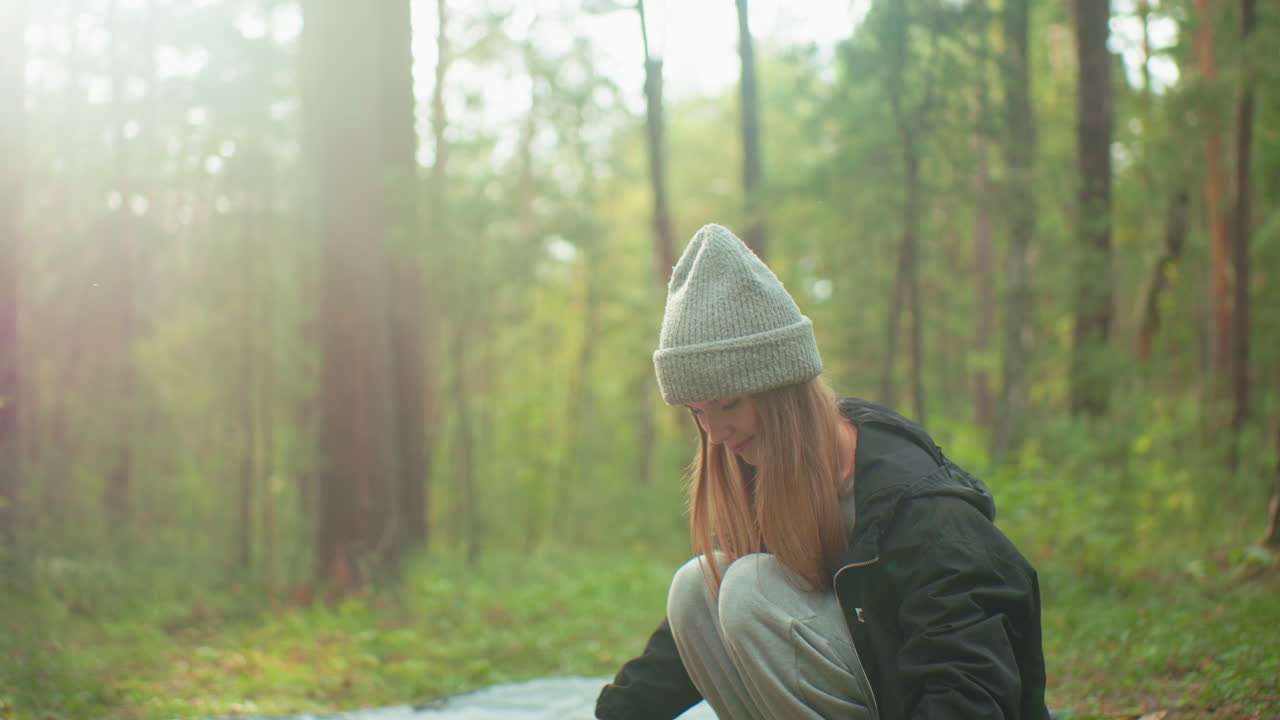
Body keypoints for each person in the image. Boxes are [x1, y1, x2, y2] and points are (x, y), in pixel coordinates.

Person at [594, 224, 1049, 720]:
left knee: (749, 591)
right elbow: (684, 651)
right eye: (699, 413)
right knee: (698, 588)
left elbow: (968, 679)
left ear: (784, 392)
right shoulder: (761, 467)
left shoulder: (920, 507)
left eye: (728, 404)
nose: (716, 432)